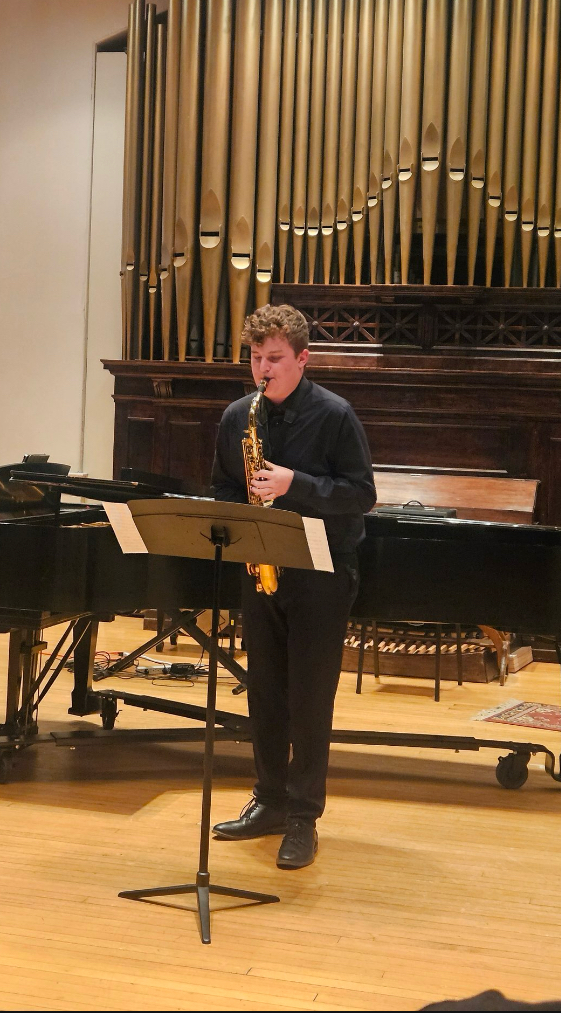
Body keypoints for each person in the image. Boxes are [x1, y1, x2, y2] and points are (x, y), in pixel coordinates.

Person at [210, 304, 376, 869]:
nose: (263, 369)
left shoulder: (335, 415)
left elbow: (360, 495)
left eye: (275, 359)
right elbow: (223, 491)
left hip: (323, 575)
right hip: (262, 571)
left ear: (303, 359)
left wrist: (293, 484)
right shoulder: (239, 417)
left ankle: (304, 816)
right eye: (256, 358)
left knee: (309, 698)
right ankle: (270, 800)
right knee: (265, 692)